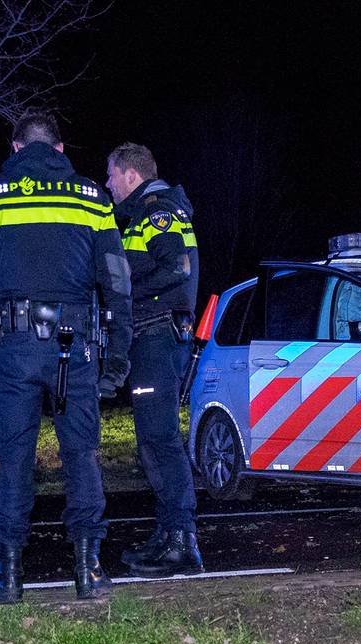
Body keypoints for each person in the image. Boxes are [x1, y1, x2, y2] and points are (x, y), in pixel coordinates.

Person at [0, 110, 133, 602]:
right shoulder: (92, 196)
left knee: (15, 457)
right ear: (60, 149)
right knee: (82, 455)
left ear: (16, 148)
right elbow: (117, 283)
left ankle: (8, 575)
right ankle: (88, 571)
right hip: (75, 348)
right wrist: (116, 360)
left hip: (13, 347)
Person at [104, 143, 204, 577]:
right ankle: (168, 535)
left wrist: (124, 292)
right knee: (151, 439)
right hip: (152, 337)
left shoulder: (159, 211)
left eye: (110, 175)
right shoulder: (143, 215)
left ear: (129, 175)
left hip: (160, 336)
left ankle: (182, 542)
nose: (107, 184)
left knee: (161, 439)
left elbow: (177, 268)